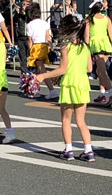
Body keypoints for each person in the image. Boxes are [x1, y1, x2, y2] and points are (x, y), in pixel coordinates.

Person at [34, 14, 95, 162]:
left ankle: (68, 149)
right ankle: (88, 150)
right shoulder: (85, 46)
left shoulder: (65, 46)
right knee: (81, 120)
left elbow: (63, 69)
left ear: (67, 29)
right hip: (82, 83)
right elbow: (89, 68)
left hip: (69, 83)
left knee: (66, 119)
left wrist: (43, 76)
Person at [84, 0, 112, 106]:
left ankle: (111, 93)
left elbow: (86, 37)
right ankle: (102, 94)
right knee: (100, 70)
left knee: (102, 71)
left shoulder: (89, 19)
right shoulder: (106, 18)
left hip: (96, 45)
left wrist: (86, 48)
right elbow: (111, 34)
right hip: (106, 44)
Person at [25, 3, 57, 100]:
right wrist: (51, 48)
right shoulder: (45, 23)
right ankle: (35, 90)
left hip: (36, 47)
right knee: (37, 70)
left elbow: (30, 40)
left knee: (41, 70)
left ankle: (52, 91)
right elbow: (48, 37)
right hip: (45, 46)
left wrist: (30, 52)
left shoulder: (29, 25)